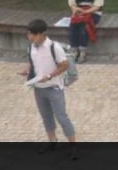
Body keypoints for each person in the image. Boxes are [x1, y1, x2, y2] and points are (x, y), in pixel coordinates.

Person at [20, 19, 79, 159]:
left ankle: (73, 146)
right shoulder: (31, 47)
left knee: (62, 117)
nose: (30, 37)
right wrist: (27, 70)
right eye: (29, 34)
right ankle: (53, 142)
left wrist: (49, 76)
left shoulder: (54, 47)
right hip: (38, 89)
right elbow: (32, 62)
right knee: (46, 117)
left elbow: (64, 65)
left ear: (41, 34)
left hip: (54, 88)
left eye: (33, 34)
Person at [67, 0, 103, 64]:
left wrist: (85, 12)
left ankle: (83, 51)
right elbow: (72, 3)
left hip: (93, 12)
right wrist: (75, 10)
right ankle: (74, 50)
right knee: (72, 26)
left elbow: (97, 6)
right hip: (79, 12)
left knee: (84, 27)